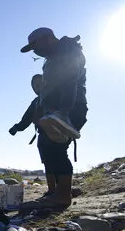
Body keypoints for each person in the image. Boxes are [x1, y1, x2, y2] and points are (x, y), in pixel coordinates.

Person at [20, 27, 88, 208]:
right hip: (53, 111)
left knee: (56, 149)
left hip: (69, 108)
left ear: (48, 38)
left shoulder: (69, 51)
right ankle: (58, 192)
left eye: (35, 45)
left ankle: (63, 195)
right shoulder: (52, 57)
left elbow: (70, 80)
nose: (35, 51)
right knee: (48, 149)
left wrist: (63, 111)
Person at [9, 74, 57, 197]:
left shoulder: (58, 94)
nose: (39, 86)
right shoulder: (35, 102)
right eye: (35, 85)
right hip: (42, 135)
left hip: (58, 133)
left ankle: (63, 189)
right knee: (47, 162)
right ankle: (52, 190)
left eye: (41, 83)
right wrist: (16, 128)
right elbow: (26, 119)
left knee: (59, 159)